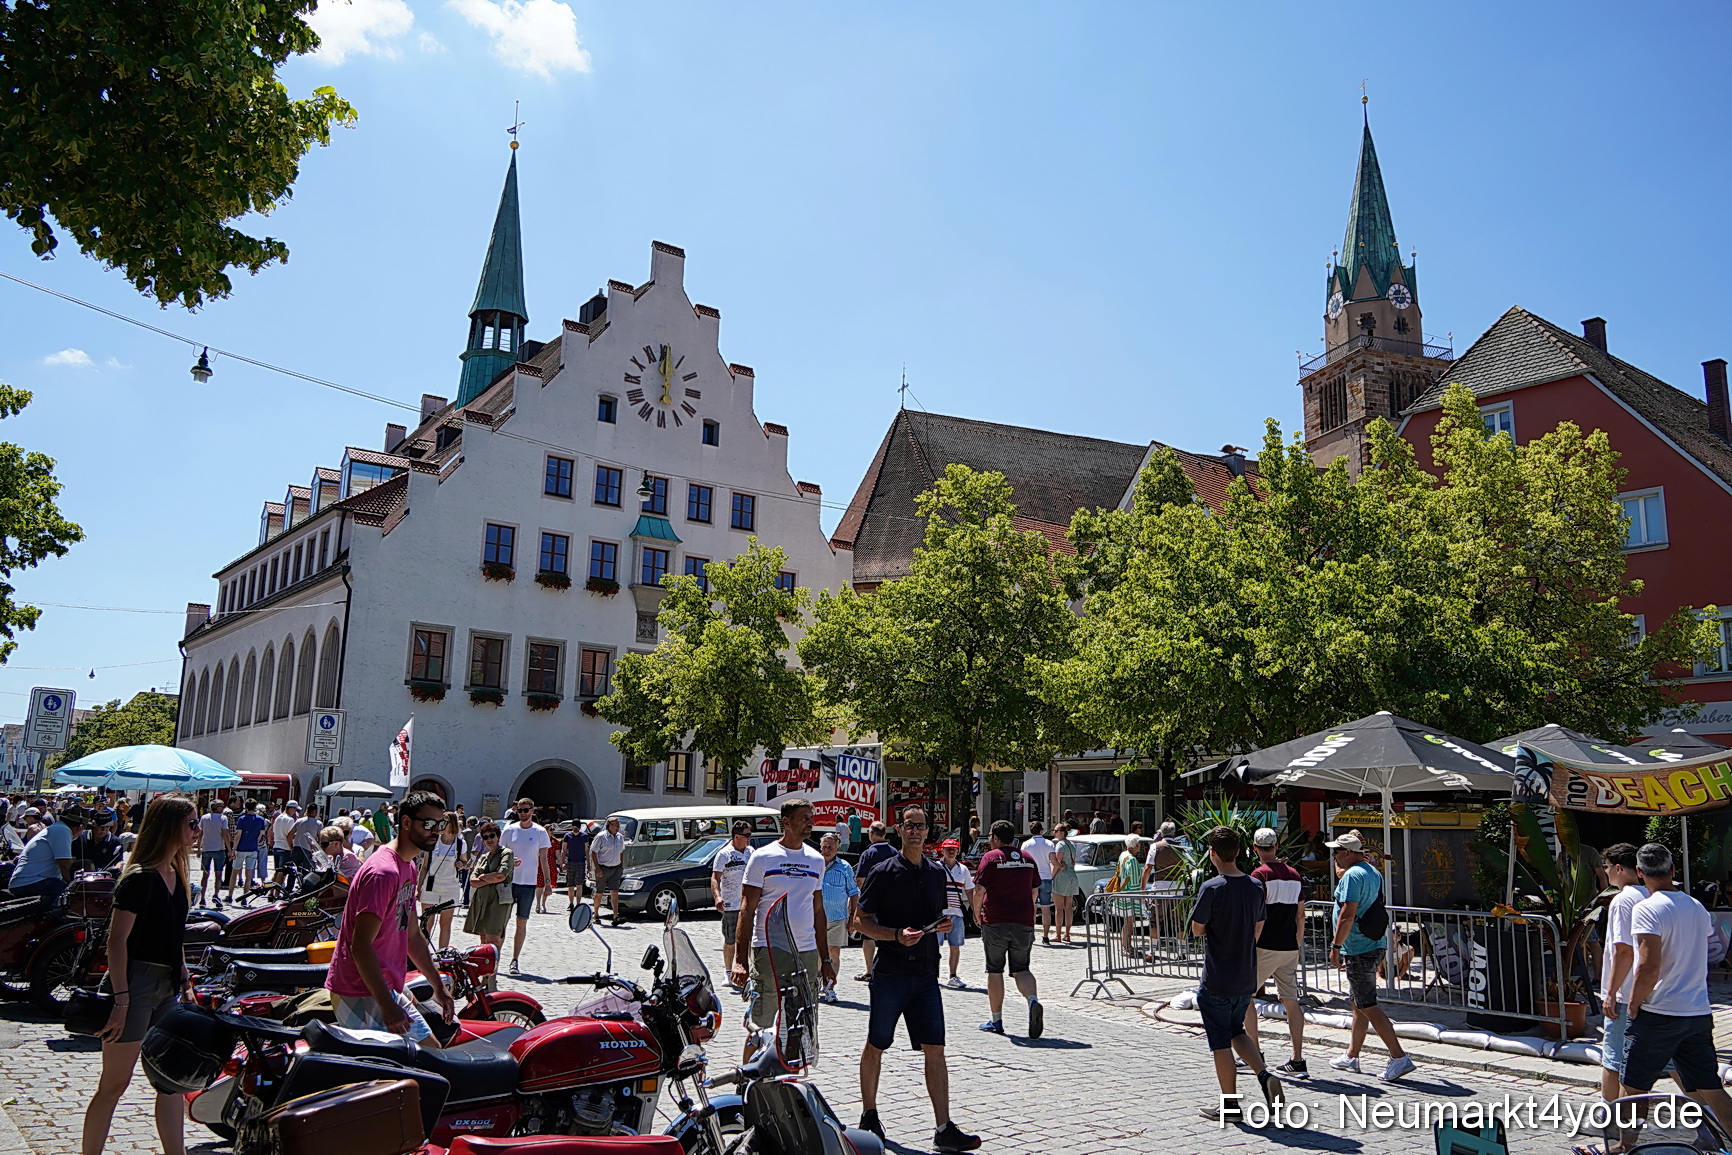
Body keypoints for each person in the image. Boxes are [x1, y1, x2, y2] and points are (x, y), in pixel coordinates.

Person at [855, 806, 981, 1153]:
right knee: (876, 1044)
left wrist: (940, 925)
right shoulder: (883, 871)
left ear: (928, 832)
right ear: (899, 830)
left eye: (920, 826)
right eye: (909, 826)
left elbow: (937, 914)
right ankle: (869, 1116)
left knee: (936, 1049)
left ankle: (943, 1128)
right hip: (891, 971)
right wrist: (896, 935)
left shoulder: (937, 873)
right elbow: (859, 922)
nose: (915, 831)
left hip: (926, 973)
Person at [79, 795, 196, 1155]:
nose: (196, 830)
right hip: (135, 982)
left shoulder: (176, 875)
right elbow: (117, 942)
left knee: (171, 1082)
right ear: (169, 826)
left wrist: (186, 979)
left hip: (167, 985)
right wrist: (121, 999)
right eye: (191, 823)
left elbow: (173, 935)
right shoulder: (139, 878)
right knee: (114, 1083)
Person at [1617, 842, 1732, 1144]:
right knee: (1708, 1085)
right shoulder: (1696, 907)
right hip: (1695, 1009)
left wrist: (1633, 1003)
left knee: (1633, 1086)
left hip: (1659, 1010)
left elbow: (1649, 964)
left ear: (1640, 873)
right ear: (1672, 871)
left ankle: (1624, 1146)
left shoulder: (1646, 908)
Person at [324, 790, 453, 1041]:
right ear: (406, 823)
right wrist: (387, 1004)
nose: (436, 830)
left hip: (384, 986)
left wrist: (438, 986)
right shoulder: (383, 873)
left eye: (441, 823)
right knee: (388, 1073)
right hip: (359, 990)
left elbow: (412, 935)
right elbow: (360, 946)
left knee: (428, 1056)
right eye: (428, 823)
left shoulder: (409, 866)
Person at [1189, 825, 1282, 1123]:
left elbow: (1197, 928)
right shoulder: (1255, 886)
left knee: (1219, 1042)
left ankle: (1229, 1104)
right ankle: (1264, 1074)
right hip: (1246, 975)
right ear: (1240, 852)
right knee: (1237, 1031)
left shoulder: (1212, 888)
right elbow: (1259, 925)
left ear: (1213, 853)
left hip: (1218, 976)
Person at [731, 798, 832, 1061]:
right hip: (769, 948)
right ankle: (750, 1084)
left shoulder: (816, 860)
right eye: (804, 818)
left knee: (800, 1023)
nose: (810, 823)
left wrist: (827, 959)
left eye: (812, 817)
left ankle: (788, 1079)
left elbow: (818, 912)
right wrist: (740, 961)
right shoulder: (762, 857)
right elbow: (747, 909)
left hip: (806, 952)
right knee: (762, 1025)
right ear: (786, 822)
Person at [1326, 830, 1414, 1081]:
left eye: (1336, 852)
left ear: (1346, 853)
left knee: (1367, 1005)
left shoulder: (1352, 875)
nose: (1334, 857)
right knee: (1358, 1004)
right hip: (1372, 944)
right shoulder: (1372, 871)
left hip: (1358, 947)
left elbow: (1347, 914)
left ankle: (1399, 1057)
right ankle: (1351, 1056)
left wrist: (1336, 945)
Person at [1243, 827, 1309, 1078]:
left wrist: (1250, 945)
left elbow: (1257, 916)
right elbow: (1300, 915)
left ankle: (1254, 1054)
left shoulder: (1259, 875)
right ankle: (1298, 1059)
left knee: (1244, 997)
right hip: (1289, 946)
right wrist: (1298, 944)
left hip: (1265, 946)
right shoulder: (1294, 874)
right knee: (1291, 1001)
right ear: (1276, 847)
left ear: (1256, 849)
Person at [971, 819, 1042, 1038]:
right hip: (1023, 922)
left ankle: (996, 1020)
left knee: (995, 969)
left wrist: (976, 915)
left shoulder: (991, 858)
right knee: (1022, 968)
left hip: (996, 920)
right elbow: (1034, 892)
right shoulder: (1028, 859)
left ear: (995, 837)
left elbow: (979, 890)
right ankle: (1032, 1001)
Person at [1596, 842, 1647, 1125]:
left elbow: (1622, 949)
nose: (1605, 873)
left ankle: (1607, 1114)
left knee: (1613, 1055)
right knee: (1671, 1060)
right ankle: (1706, 1115)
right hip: (1649, 989)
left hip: (1626, 990)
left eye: (1606, 867)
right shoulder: (1651, 894)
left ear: (1617, 868)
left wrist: (1611, 992)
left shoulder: (1622, 900)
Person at [498, 797, 551, 974]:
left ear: (532, 811)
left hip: (528, 883)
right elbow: (499, 854)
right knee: (501, 923)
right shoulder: (509, 830)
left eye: (526, 810)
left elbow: (544, 860)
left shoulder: (540, 832)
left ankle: (514, 960)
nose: (522, 813)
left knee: (521, 922)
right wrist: (509, 863)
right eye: (519, 810)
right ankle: (495, 959)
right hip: (508, 882)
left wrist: (548, 883)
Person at [463, 823, 515, 968]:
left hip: (498, 901)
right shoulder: (484, 857)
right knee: (483, 939)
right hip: (481, 900)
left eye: (492, 836)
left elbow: (501, 876)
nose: (489, 839)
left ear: (498, 837)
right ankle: (483, 974)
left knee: (494, 939)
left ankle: (492, 974)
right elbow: (473, 881)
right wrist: (487, 878)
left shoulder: (506, 853)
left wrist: (483, 877)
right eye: (485, 837)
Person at [710, 821, 754, 987]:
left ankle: (746, 969)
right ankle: (728, 972)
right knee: (730, 939)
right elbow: (715, 878)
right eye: (747, 835)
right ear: (737, 837)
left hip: (748, 904)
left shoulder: (751, 852)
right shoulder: (724, 854)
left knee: (748, 939)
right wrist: (717, 897)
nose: (750, 838)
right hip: (731, 903)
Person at [854, 821, 898, 982]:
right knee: (891, 934)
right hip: (893, 900)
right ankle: (891, 969)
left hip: (872, 900)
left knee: (868, 936)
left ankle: (869, 971)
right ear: (884, 835)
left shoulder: (868, 854)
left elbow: (860, 879)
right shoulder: (895, 852)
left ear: (871, 834)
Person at [11, 806, 83, 899]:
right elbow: (65, 864)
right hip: (31, 882)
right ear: (80, 827)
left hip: (27, 881)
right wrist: (76, 887)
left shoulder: (56, 828)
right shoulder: (63, 830)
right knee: (69, 896)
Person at [819, 833, 859, 1003]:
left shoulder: (844, 867)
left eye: (830, 847)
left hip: (837, 918)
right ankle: (814, 986)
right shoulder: (813, 864)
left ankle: (830, 987)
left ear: (837, 849)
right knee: (816, 955)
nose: (826, 850)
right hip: (815, 918)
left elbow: (854, 892)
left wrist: (853, 918)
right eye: (824, 847)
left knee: (834, 952)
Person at [422, 813, 468, 949]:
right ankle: (421, 956)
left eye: (444, 822)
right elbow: (424, 866)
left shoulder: (460, 843)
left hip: (451, 886)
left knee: (445, 923)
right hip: (431, 884)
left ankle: (442, 954)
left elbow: (464, 861)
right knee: (427, 922)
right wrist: (418, 888)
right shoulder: (432, 840)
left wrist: (462, 865)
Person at [937, 839, 973, 986]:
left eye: (954, 849)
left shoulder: (963, 870)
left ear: (958, 851)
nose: (951, 851)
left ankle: (953, 975)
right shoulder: (936, 867)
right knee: (934, 946)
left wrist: (975, 911)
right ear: (942, 850)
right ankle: (933, 974)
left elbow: (970, 891)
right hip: (938, 913)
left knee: (955, 946)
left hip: (956, 912)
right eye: (948, 849)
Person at [589, 815, 631, 927]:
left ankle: (615, 916)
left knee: (614, 892)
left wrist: (621, 866)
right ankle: (596, 915)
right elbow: (593, 852)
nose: (618, 827)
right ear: (609, 825)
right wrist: (597, 868)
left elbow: (621, 851)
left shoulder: (620, 837)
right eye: (615, 825)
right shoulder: (601, 837)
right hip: (603, 868)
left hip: (616, 868)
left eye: (618, 825)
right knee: (599, 893)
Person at [1021, 822, 1057, 946]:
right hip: (1046, 877)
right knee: (1046, 908)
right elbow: (1053, 861)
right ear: (1042, 830)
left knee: (1032, 908)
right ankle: (1046, 936)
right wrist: (1056, 871)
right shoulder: (1049, 844)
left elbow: (1022, 862)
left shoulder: (1025, 845)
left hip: (1031, 878)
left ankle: (1030, 934)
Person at [231, 800, 268, 903]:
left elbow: (238, 835)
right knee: (249, 875)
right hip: (253, 848)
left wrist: (234, 848)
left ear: (245, 807)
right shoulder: (261, 820)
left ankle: (230, 895)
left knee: (235, 873)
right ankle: (245, 898)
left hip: (242, 848)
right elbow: (261, 835)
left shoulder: (242, 819)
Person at [196, 799, 231, 908]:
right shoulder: (223, 818)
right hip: (219, 849)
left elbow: (200, 834)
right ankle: (216, 894)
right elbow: (225, 835)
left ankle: (202, 898)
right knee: (218, 874)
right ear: (218, 808)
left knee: (205, 875)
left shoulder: (204, 818)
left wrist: (198, 848)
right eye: (222, 806)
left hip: (206, 848)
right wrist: (229, 849)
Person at [562, 821, 589, 911]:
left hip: (581, 862)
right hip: (570, 862)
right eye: (573, 827)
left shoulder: (584, 836)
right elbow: (564, 850)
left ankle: (578, 903)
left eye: (577, 827)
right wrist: (563, 862)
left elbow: (586, 850)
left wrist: (588, 864)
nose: (575, 829)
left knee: (579, 884)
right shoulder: (567, 836)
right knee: (570, 884)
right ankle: (571, 903)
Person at [290, 803, 323, 874]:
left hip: (296, 848)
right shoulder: (318, 823)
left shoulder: (299, 821)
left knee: (293, 871)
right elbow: (321, 838)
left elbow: (290, 834)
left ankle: (290, 884)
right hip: (308, 850)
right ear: (316, 812)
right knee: (306, 872)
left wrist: (291, 846)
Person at [271, 800, 298, 884]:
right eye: (295, 809)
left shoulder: (278, 818)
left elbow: (274, 831)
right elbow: (289, 836)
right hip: (285, 847)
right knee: (282, 872)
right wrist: (292, 848)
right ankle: (277, 893)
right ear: (291, 808)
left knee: (277, 870)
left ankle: (271, 892)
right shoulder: (290, 820)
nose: (295, 812)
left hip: (276, 846)